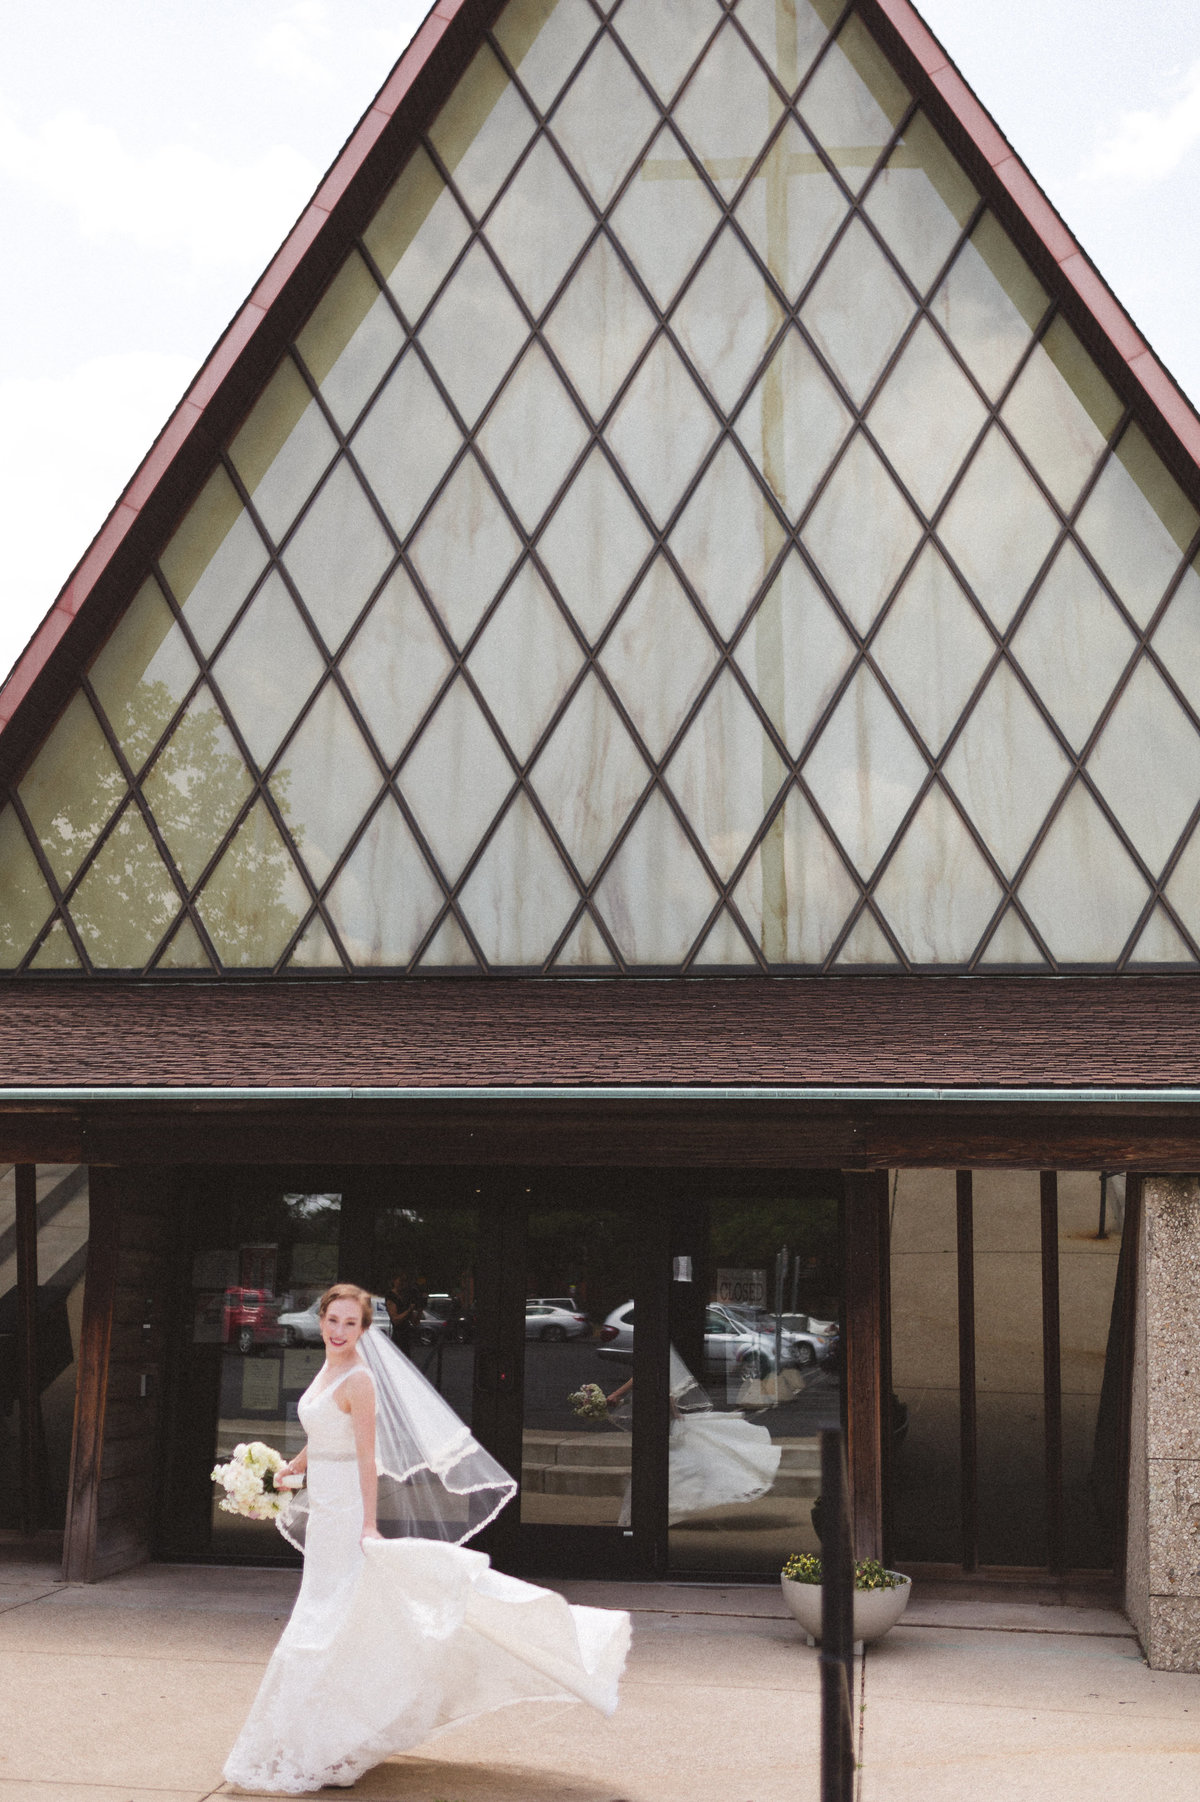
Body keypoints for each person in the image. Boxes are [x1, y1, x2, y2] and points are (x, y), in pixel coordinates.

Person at [223, 1283, 630, 1794]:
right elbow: (324, 1434)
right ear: (321, 1319)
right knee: (332, 1618)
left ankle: (328, 1744)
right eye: (333, 1321)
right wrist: (288, 1471)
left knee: (329, 1621)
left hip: (347, 1508)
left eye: (351, 1324)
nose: (339, 1331)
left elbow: (368, 1458)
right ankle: (325, 1739)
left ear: (364, 1329)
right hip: (323, 1507)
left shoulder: (360, 1380)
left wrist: (368, 1524)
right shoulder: (328, 1369)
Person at [608, 1346, 781, 1526]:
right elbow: (666, 1389)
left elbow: (650, 1380)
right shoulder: (661, 1355)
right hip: (658, 1413)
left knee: (660, 1461)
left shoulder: (653, 1353)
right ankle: (655, 1507)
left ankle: (651, 1509)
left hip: (656, 1416)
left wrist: (616, 1394)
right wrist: (674, 1412)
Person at [384, 1271, 423, 1355]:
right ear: (394, 1281)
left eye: (405, 1281)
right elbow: (396, 1320)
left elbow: (415, 1322)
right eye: (401, 1281)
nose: (403, 1284)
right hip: (398, 1336)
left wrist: (420, 1309)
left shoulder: (406, 1297)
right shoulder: (391, 1296)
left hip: (406, 1336)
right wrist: (409, 1309)